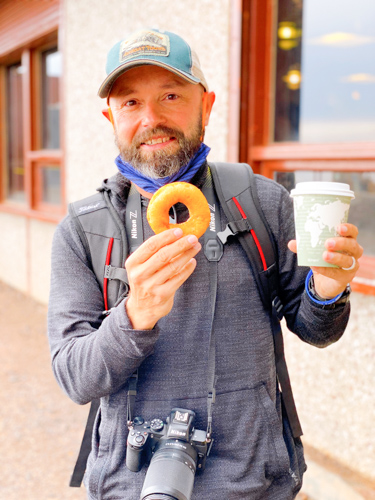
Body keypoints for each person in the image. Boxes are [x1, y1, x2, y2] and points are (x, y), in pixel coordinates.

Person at [48, 28, 363, 500]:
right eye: (131, 102)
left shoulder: (263, 204)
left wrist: (328, 286)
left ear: (207, 105)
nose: (151, 118)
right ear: (109, 116)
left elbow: (318, 330)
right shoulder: (84, 230)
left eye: (171, 95)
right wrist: (135, 316)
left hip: (256, 481)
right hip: (128, 482)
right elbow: (75, 377)